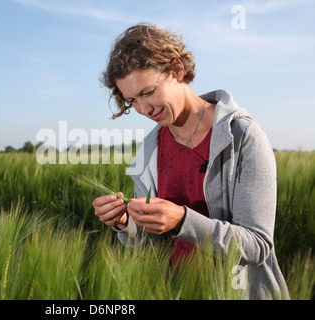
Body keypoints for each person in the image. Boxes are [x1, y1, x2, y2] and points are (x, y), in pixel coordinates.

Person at [92, 23, 290, 300]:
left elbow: (257, 247)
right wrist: (127, 223)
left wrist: (182, 220)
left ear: (177, 70)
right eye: (132, 101)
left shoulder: (243, 137)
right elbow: (149, 247)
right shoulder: (150, 151)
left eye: (148, 92)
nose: (144, 109)